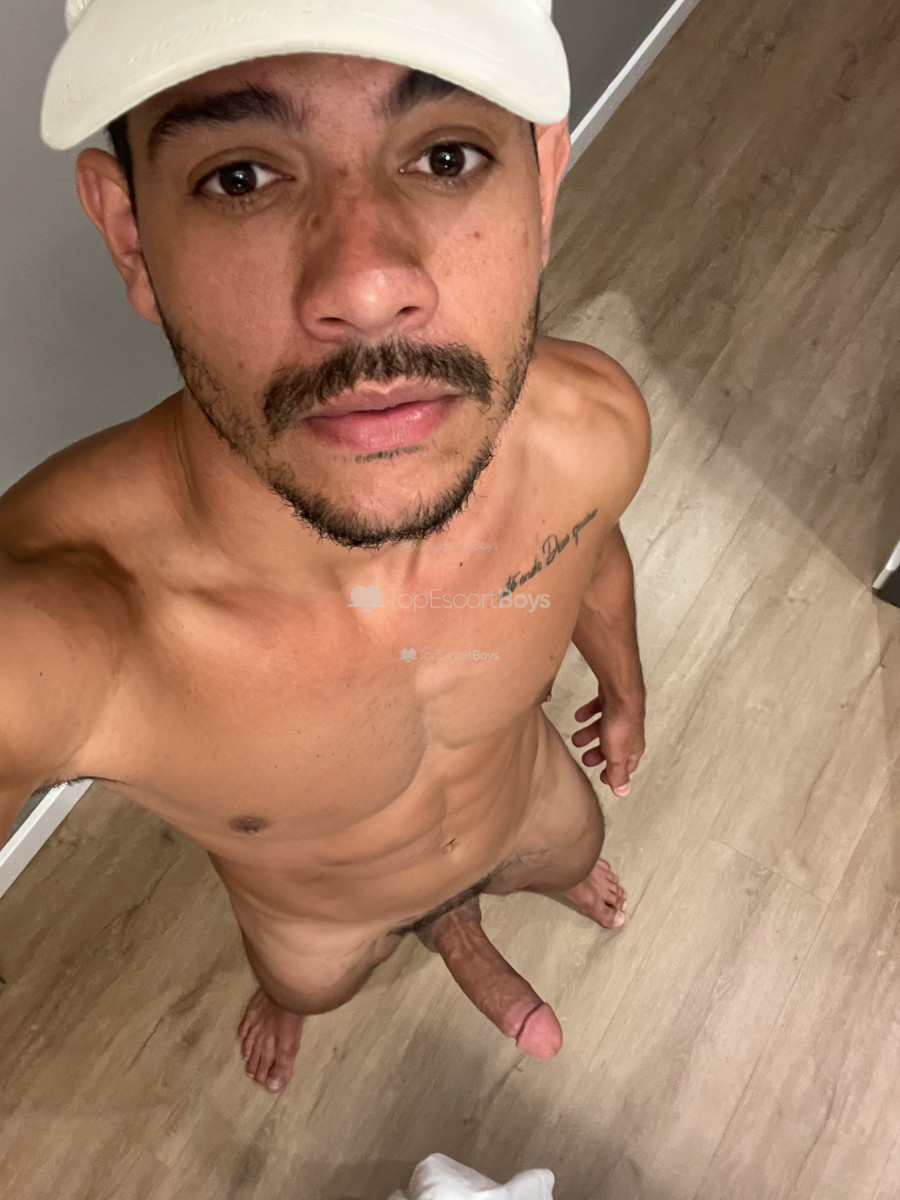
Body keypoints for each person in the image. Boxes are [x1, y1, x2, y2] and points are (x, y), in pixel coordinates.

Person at [1, 0, 650, 1095]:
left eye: (446, 157)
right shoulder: (66, 629)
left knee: (575, 850)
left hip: (528, 808)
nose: (366, 286)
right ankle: (316, 990)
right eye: (241, 177)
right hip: (318, 921)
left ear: (542, 184)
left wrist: (623, 687)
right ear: (131, 236)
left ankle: (495, 909)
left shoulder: (591, 431)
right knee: (311, 986)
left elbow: (592, 554)